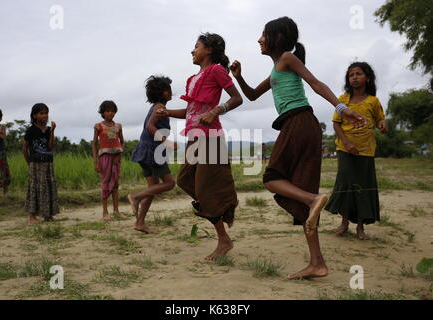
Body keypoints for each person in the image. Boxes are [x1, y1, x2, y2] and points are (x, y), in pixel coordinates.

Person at [230, 17, 366, 279]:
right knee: (301, 196)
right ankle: (317, 262)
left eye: (264, 35)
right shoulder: (276, 71)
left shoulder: (288, 59)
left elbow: (316, 84)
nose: (259, 40)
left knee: (271, 179)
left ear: (278, 38)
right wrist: (239, 77)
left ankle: (313, 199)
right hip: (301, 125)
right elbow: (252, 96)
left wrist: (342, 108)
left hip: (298, 121)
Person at [158, 33, 243, 261]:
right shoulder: (193, 78)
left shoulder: (216, 70)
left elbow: (237, 98)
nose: (192, 50)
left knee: (204, 190)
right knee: (185, 180)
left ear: (209, 50)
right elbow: (190, 112)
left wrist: (215, 111)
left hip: (211, 137)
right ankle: (223, 205)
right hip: (195, 138)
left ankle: (224, 239)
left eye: (196, 46)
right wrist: (167, 112)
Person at [325, 62, 387, 240]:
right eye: (351, 75)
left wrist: (383, 125)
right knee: (346, 185)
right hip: (345, 149)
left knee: (362, 187)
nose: (354, 77)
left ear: (367, 77)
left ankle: (360, 227)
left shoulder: (373, 101)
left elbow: (380, 120)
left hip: (365, 151)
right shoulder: (342, 100)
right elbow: (336, 124)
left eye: (358, 74)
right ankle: (344, 223)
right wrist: (346, 143)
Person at [129, 75, 177, 234]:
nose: (171, 92)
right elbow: (150, 126)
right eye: (168, 89)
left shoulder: (157, 107)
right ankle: (136, 197)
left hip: (146, 149)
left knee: (153, 188)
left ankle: (140, 223)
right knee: (170, 183)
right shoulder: (159, 108)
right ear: (164, 92)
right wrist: (166, 142)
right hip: (152, 152)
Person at [22, 103, 59, 223]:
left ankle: (47, 215)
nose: (45, 115)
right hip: (35, 164)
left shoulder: (48, 130)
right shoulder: (31, 130)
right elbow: (24, 149)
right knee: (35, 188)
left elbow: (51, 146)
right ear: (34, 116)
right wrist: (30, 163)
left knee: (48, 188)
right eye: (41, 113)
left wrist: (52, 131)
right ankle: (32, 216)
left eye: (46, 113)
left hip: (48, 163)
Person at [92, 100, 127, 221]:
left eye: (112, 110)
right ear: (102, 112)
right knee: (105, 184)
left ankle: (116, 211)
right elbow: (94, 144)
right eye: (107, 111)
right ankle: (105, 212)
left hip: (116, 158)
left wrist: (119, 154)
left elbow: (122, 142)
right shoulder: (99, 126)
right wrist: (96, 161)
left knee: (115, 184)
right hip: (104, 157)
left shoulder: (118, 126)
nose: (110, 113)